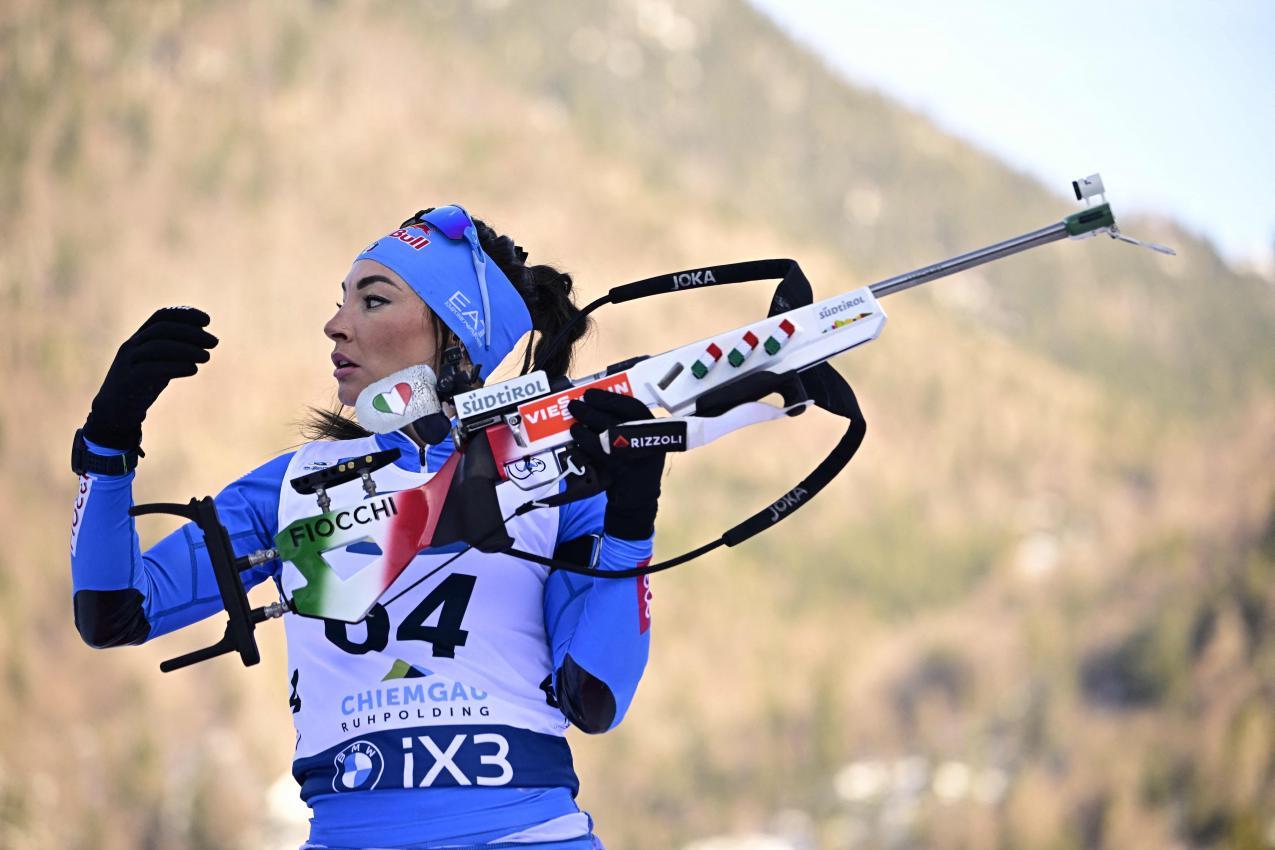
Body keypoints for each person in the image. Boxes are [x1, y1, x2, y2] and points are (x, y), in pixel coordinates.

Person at [68, 205, 664, 849]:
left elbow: (595, 697)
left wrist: (632, 518)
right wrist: (108, 442)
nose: (335, 326)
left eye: (372, 301)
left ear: (455, 336)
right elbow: (115, 612)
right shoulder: (299, 481)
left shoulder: (556, 470)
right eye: (340, 302)